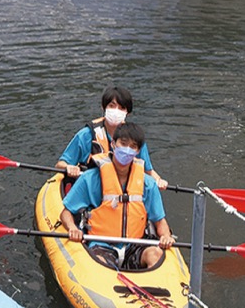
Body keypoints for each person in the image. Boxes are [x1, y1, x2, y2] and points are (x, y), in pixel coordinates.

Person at [59, 123, 175, 270]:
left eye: (133, 147)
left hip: (136, 244)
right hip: (101, 244)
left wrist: (165, 236)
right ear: (113, 144)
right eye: (123, 144)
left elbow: (160, 221)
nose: (127, 150)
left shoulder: (148, 184)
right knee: (100, 265)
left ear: (138, 151)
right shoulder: (90, 178)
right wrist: (72, 228)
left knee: (155, 255)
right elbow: (66, 213)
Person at [56, 86, 167, 189]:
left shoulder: (134, 137)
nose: (116, 111)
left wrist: (158, 180)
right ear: (104, 107)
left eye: (121, 108)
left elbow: (148, 171)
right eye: (112, 106)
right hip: (91, 189)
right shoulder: (86, 135)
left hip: (121, 191)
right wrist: (69, 168)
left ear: (127, 112)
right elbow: (60, 164)